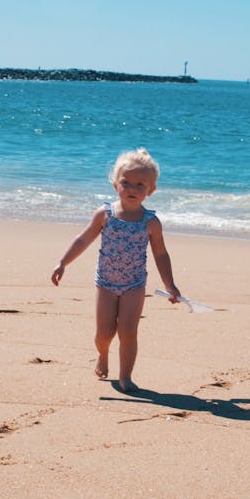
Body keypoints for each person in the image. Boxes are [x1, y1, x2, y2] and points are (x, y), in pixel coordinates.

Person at [51, 147, 180, 390]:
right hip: (106, 284)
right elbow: (83, 239)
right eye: (126, 182)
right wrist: (63, 262)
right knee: (104, 333)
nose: (132, 188)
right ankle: (102, 353)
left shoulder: (150, 222)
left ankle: (126, 376)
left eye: (140, 185)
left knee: (128, 331)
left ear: (151, 190)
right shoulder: (105, 215)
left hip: (134, 285)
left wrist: (169, 284)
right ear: (115, 185)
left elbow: (161, 254)